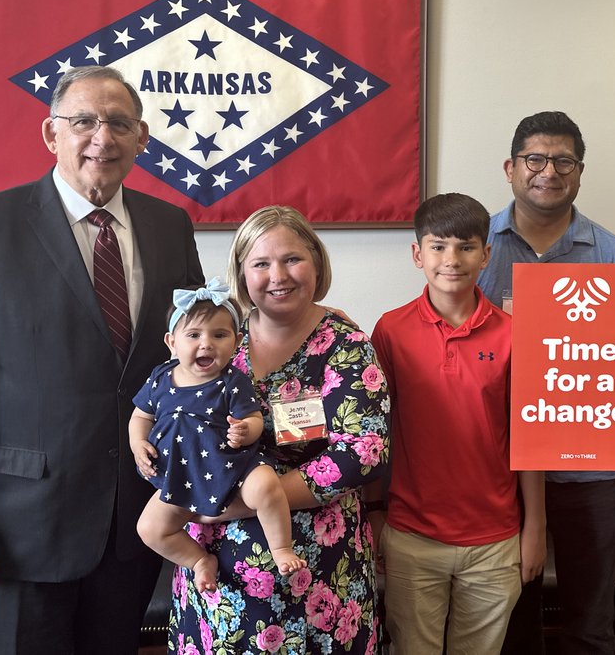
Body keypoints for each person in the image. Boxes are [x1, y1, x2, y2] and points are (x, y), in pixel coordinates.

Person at [0, 65, 205, 654]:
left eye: (120, 123)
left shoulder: (170, 226)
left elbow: (191, 361)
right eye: (84, 121)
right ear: (52, 134)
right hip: (16, 532)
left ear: (143, 137)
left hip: (132, 525)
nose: (104, 136)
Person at [477, 110, 615, 655]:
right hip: (502, 467)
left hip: (592, 469)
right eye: (535, 159)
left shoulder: (614, 256)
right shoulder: (475, 250)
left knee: (590, 620)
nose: (549, 171)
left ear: (580, 172)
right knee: (510, 620)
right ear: (510, 168)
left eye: (564, 161)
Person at [169, 205, 390, 654]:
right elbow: (169, 420)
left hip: (323, 568)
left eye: (292, 259)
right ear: (241, 274)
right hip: (220, 571)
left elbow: (364, 451)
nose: (278, 275)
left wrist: (244, 504)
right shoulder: (216, 340)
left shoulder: (346, 344)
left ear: (316, 262)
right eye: (261, 263)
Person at [370, 192, 546, 654]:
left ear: (486, 255)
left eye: (467, 247)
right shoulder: (389, 330)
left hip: (496, 539)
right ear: (417, 254)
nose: (452, 259)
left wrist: (534, 530)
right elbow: (370, 433)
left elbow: (531, 440)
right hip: (412, 535)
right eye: (439, 246)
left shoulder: (514, 334)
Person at [130, 279, 306, 593]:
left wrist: (245, 431)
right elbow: (140, 417)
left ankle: (281, 548)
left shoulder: (231, 382)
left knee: (266, 486)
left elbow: (253, 419)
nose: (206, 343)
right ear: (172, 342)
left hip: (233, 468)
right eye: (194, 335)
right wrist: (138, 443)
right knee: (150, 528)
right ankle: (199, 561)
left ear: (237, 341)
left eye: (219, 335)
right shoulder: (160, 378)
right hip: (181, 477)